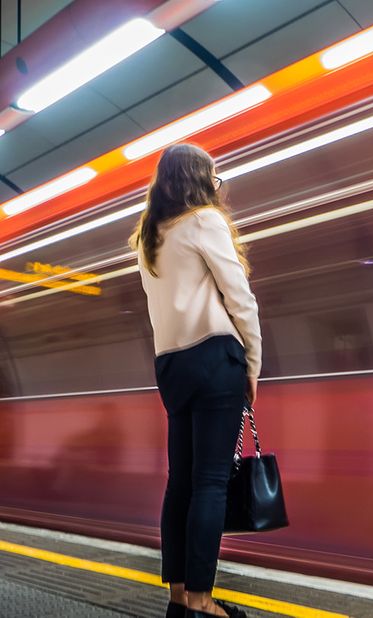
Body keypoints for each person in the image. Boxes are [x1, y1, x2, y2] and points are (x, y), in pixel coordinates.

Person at [131, 144, 260, 618]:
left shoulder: (149, 239)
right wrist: (252, 365)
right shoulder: (204, 221)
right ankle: (204, 603)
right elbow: (240, 298)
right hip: (214, 358)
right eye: (214, 178)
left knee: (180, 483)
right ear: (200, 180)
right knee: (210, 484)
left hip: (171, 366)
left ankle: (180, 599)